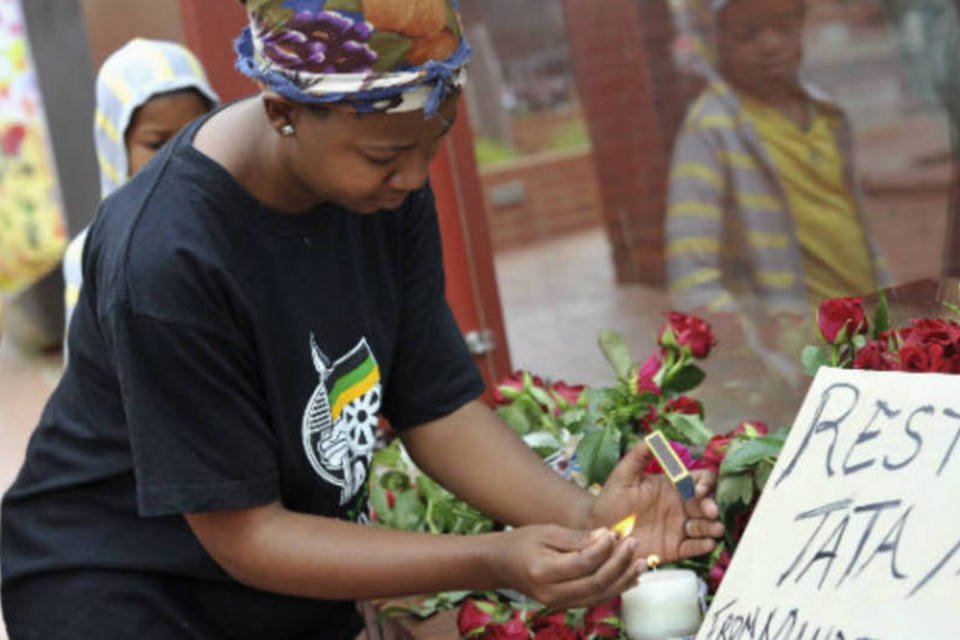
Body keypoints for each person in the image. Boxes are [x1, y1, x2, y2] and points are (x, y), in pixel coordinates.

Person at [1, 1, 723, 637]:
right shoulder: (166, 256)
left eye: (432, 146)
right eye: (387, 155)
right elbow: (245, 534)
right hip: (122, 591)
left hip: (270, 586)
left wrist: (588, 520)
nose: (414, 179)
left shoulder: (379, 190)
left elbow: (436, 406)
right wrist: (494, 556)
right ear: (282, 110)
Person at [666, 0, 891, 318]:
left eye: (784, 28)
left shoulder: (828, 116)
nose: (771, 44)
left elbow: (858, 231)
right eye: (748, 34)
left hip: (867, 328)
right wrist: (762, 345)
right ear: (712, 42)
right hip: (797, 355)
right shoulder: (710, 131)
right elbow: (691, 276)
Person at [62, 38, 219, 337]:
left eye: (194, 132)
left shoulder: (236, 229)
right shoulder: (90, 258)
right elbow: (85, 378)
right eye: (156, 143)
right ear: (116, 148)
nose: (179, 154)